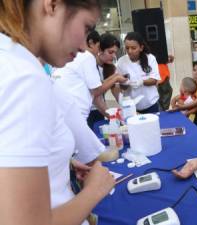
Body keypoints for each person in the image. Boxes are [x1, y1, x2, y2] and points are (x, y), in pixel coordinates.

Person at [0, 1, 115, 225]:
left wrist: (64, 162)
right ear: (52, 5)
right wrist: (94, 191)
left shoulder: (10, 62)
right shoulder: (23, 77)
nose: (84, 46)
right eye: (86, 28)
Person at [53, 30, 127, 128]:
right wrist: (113, 117)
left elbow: (98, 86)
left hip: (65, 111)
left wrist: (115, 77)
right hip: (77, 112)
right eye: (98, 47)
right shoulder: (87, 57)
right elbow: (96, 91)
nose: (98, 51)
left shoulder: (77, 56)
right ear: (91, 43)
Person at [116, 31, 161, 114]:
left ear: (141, 47)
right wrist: (125, 83)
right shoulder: (121, 62)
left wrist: (141, 82)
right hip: (132, 107)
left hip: (150, 104)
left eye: (133, 48)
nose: (130, 51)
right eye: (127, 48)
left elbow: (154, 80)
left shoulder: (150, 58)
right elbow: (122, 87)